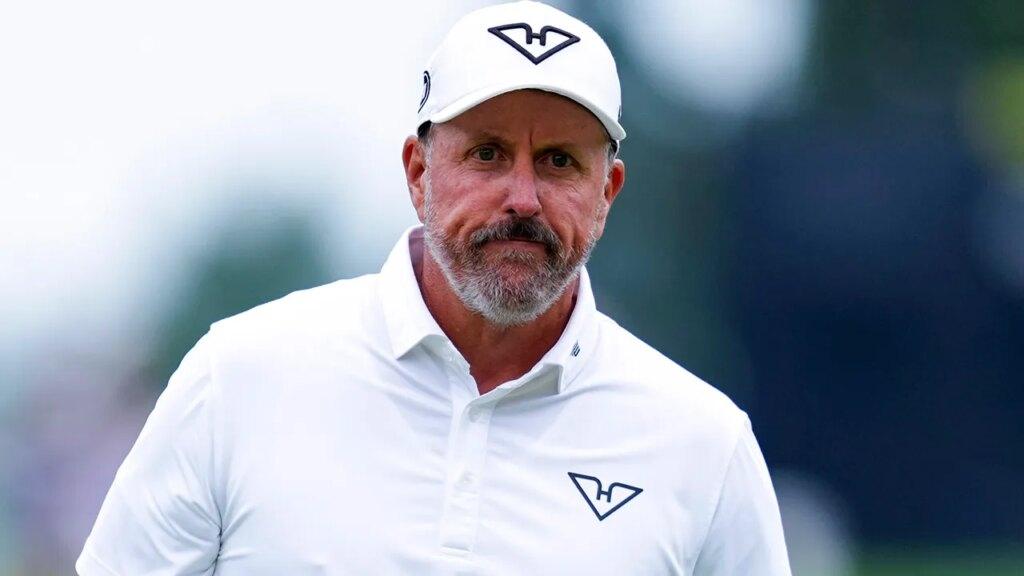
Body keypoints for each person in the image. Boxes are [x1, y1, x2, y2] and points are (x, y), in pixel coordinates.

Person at [77, 1, 791, 574]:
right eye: (487, 153)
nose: (522, 198)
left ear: (607, 191)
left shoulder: (702, 446)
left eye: (559, 161)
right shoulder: (237, 379)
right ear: (418, 173)